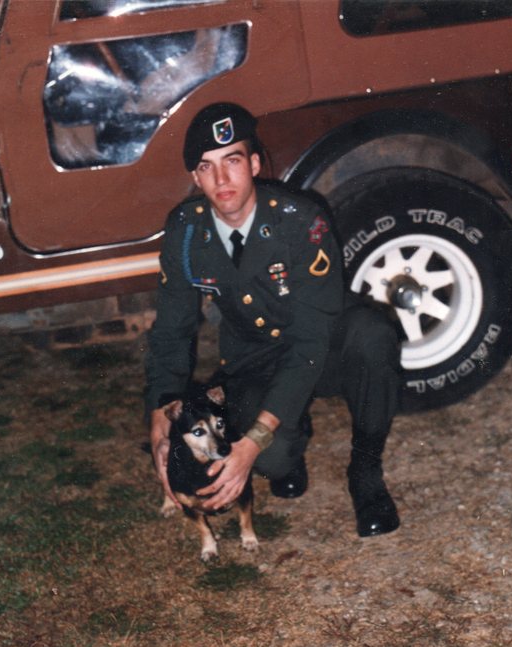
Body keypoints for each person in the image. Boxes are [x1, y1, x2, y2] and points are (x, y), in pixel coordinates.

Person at [145, 102, 402, 537]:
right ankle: (291, 441)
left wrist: (251, 443)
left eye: (232, 161)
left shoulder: (300, 221)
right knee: (273, 459)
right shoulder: (186, 232)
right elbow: (172, 331)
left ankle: (366, 472)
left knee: (373, 336)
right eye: (207, 167)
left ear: (254, 164)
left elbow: (309, 344)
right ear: (195, 177)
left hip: (324, 345)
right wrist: (159, 420)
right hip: (254, 357)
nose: (221, 179)